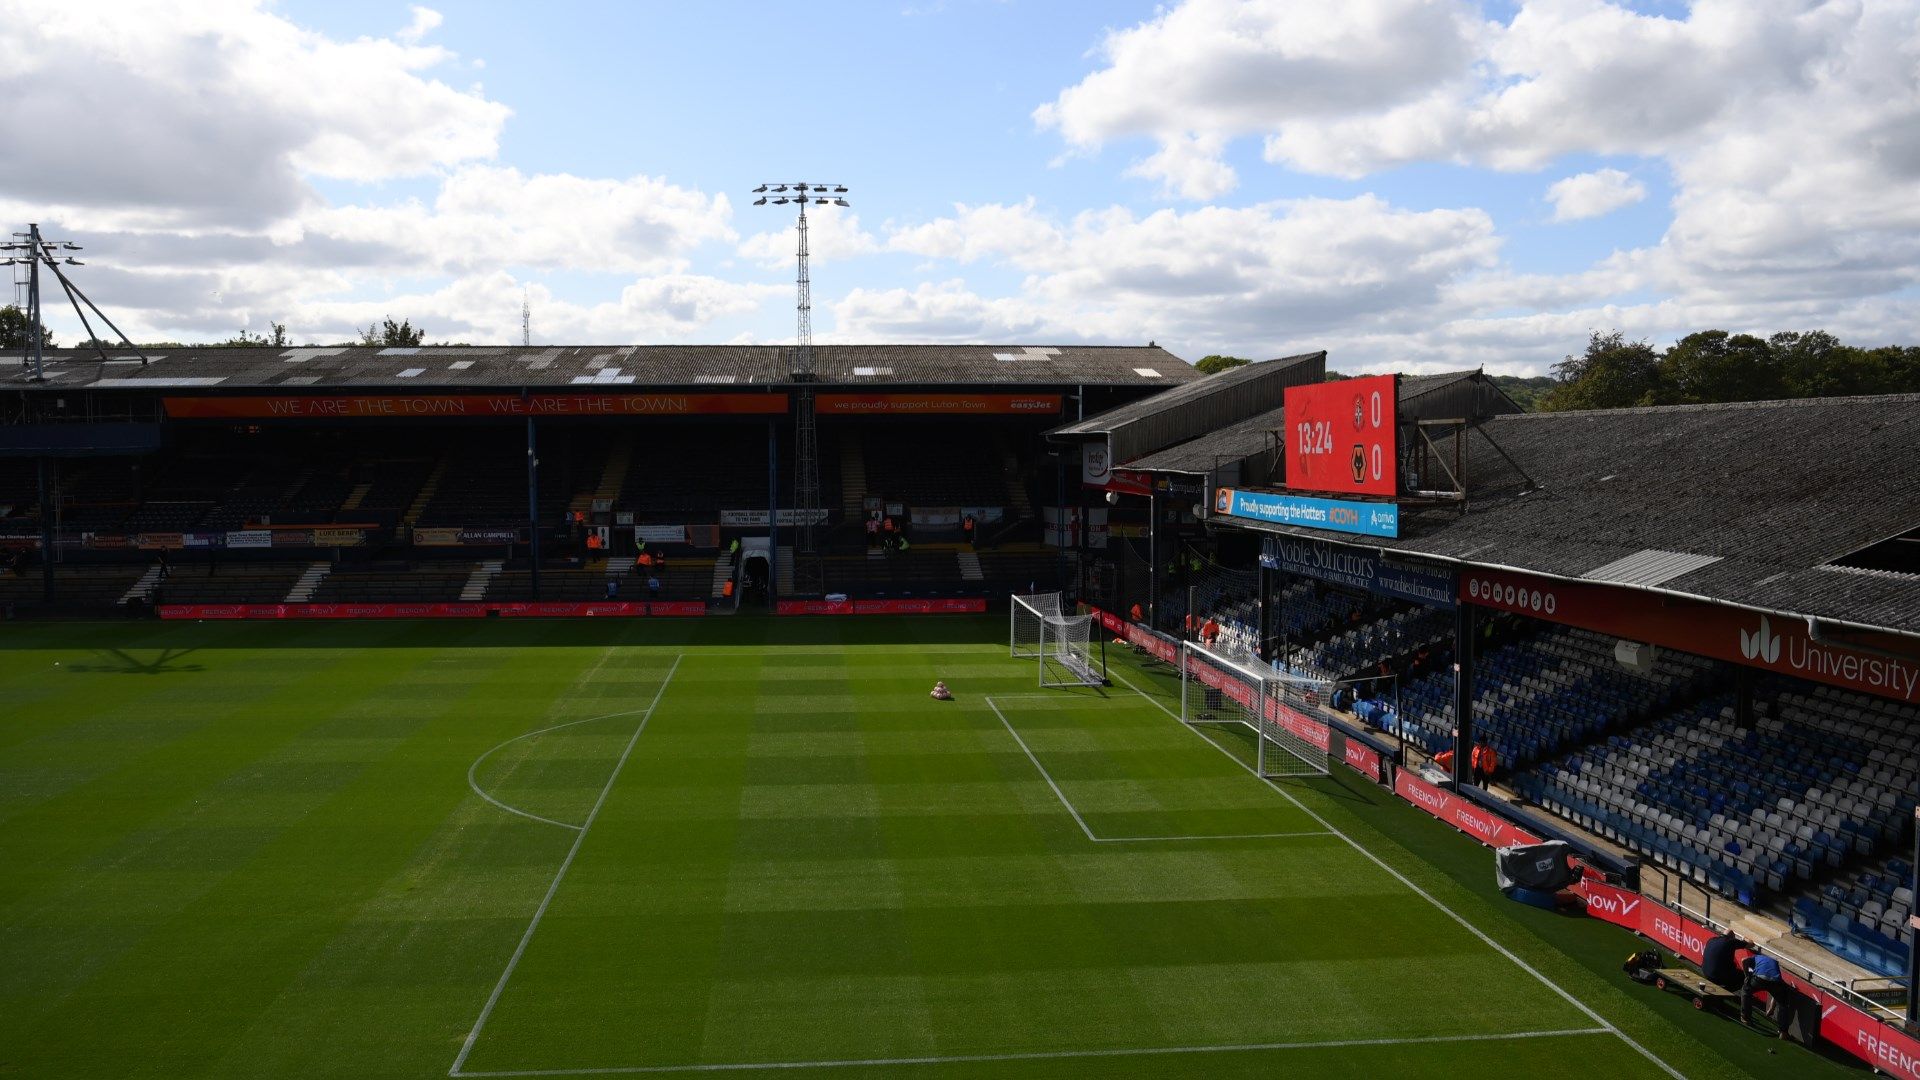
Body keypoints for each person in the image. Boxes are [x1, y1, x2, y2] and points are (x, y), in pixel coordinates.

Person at [1741, 951, 1782, 1026]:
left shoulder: (1756, 957)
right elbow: (1774, 992)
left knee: (1745, 991)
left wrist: (1746, 976)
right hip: (1776, 981)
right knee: (1781, 1000)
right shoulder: (1774, 962)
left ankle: (1745, 1018)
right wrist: (1771, 1008)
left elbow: (1743, 960)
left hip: (1760, 978)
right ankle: (1783, 1032)